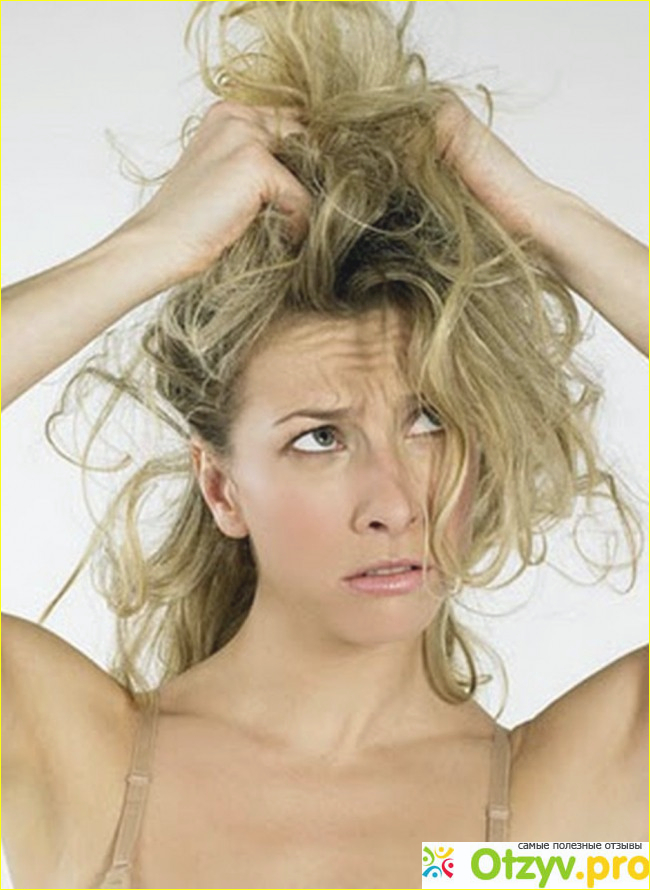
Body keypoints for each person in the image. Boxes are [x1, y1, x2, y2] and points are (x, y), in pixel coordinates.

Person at [2, 2, 647, 888]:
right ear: (222, 487)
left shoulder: (537, 822)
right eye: (319, 437)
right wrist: (150, 248)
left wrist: (544, 217)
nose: (394, 503)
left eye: (430, 421)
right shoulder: (86, 766)